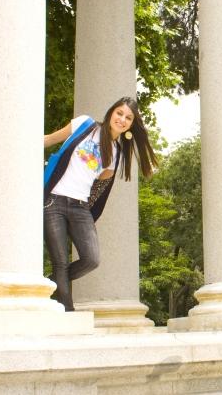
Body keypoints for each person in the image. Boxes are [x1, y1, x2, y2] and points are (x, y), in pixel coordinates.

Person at [43, 96, 157, 311]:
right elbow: (48, 140)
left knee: (91, 259)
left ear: (131, 125)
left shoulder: (115, 154)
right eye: (119, 113)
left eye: (128, 118)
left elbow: (99, 189)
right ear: (111, 112)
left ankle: (49, 284)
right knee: (60, 263)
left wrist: (87, 210)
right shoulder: (84, 125)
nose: (122, 119)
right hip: (54, 201)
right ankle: (68, 313)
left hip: (79, 207)